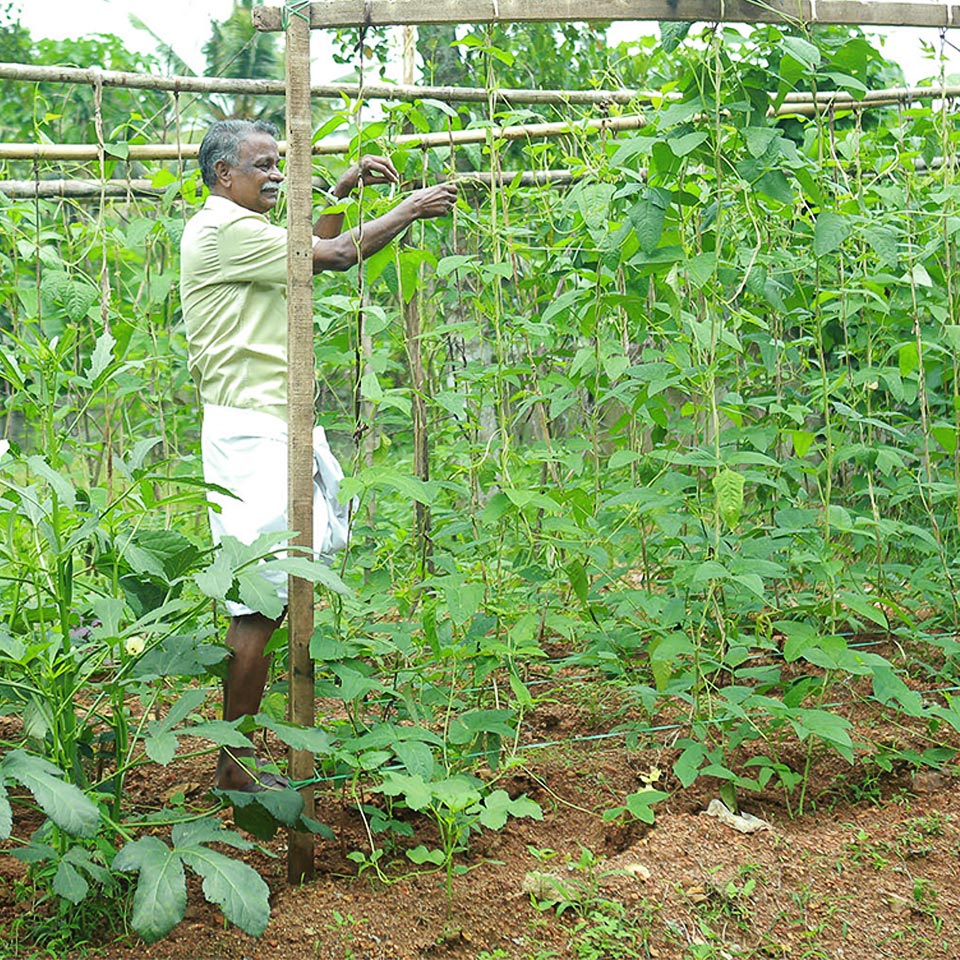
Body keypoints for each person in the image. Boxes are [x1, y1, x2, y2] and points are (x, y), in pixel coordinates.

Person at [179, 119, 457, 791]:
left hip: (271, 424)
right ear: (225, 176)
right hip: (251, 431)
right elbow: (331, 257)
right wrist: (411, 208)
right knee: (257, 602)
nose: (277, 176)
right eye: (264, 167)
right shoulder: (224, 230)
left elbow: (310, 247)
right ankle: (234, 763)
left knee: (276, 590)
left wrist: (337, 187)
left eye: (281, 164)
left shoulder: (240, 231)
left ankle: (238, 756)